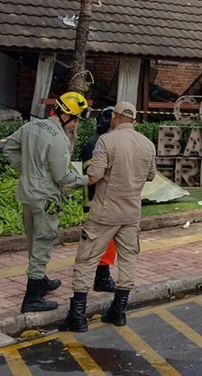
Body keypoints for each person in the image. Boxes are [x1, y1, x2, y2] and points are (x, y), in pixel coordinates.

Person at [60, 101, 156, 332]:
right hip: (131, 213)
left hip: (104, 213)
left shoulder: (106, 141)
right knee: (128, 259)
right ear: (134, 120)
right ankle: (119, 311)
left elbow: (93, 176)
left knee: (86, 260)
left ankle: (77, 316)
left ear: (114, 116)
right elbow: (151, 175)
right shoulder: (147, 144)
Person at [4, 92, 90, 313]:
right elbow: (62, 176)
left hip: (27, 193)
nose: (76, 124)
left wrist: (27, 171)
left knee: (33, 240)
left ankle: (40, 280)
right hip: (46, 198)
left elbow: (9, 148)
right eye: (77, 118)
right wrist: (86, 179)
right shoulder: (59, 139)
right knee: (43, 243)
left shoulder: (31, 126)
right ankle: (32, 298)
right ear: (65, 115)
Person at [79, 106, 118, 293]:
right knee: (104, 239)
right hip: (99, 200)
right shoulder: (98, 144)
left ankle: (100, 274)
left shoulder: (96, 142)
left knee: (102, 239)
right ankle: (101, 277)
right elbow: (95, 175)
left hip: (97, 199)